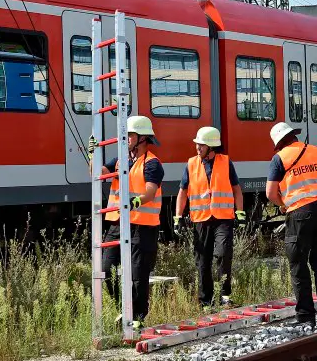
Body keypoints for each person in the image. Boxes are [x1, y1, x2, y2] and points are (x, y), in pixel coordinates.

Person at [266, 122, 317, 326]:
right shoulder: (316, 151)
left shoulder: (279, 158)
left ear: (279, 143)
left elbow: (270, 193)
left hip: (300, 213)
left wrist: (284, 204)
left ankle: (306, 315)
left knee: (298, 263)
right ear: (293, 136)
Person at [100, 115, 164, 330]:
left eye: (130, 135)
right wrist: (93, 154)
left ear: (142, 138)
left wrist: (135, 201)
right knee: (106, 270)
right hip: (117, 223)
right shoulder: (120, 160)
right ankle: (123, 308)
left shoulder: (153, 163)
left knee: (138, 274)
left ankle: (137, 317)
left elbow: (150, 192)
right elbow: (96, 173)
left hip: (142, 225)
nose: (126, 138)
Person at [174, 126, 245, 309]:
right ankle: (206, 301)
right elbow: (182, 192)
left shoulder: (226, 162)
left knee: (223, 254)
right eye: (197, 144)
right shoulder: (191, 164)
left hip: (223, 218)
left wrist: (240, 212)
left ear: (212, 147)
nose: (197, 147)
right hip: (201, 219)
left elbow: (236, 189)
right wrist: (178, 217)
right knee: (202, 261)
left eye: (202, 145)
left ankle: (225, 296)